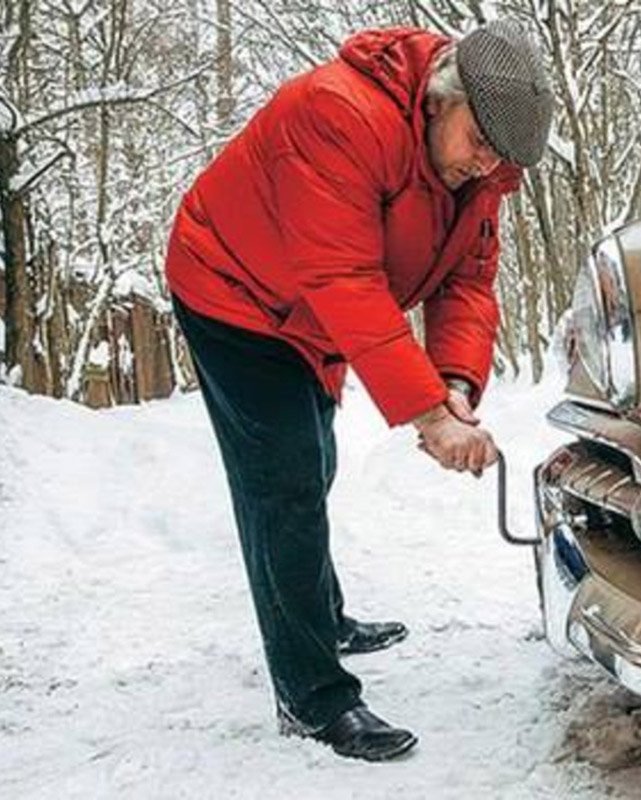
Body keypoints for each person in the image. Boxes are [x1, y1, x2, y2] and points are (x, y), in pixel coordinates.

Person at [164, 20, 554, 761]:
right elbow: (346, 279)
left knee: (314, 461)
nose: (488, 164)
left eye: (504, 154)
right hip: (234, 291)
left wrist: (455, 382)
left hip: (309, 312)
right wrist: (427, 417)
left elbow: (468, 279)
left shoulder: (482, 165)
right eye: (480, 141)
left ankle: (323, 613)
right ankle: (313, 697)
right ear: (443, 98)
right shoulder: (337, 114)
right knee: (282, 482)